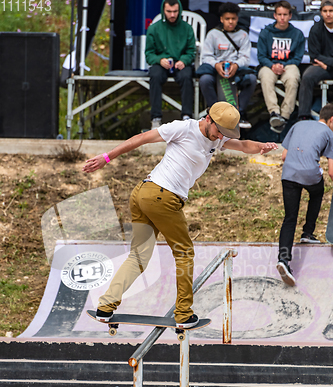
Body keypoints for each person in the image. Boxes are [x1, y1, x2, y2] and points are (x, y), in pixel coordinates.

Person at [83, 102, 278, 327]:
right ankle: (184, 313)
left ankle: (105, 307)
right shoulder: (183, 129)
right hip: (161, 197)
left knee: (139, 256)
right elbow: (142, 138)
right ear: (208, 119)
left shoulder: (218, 137)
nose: (219, 137)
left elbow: (243, 145)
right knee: (184, 252)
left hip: (145, 195)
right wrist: (106, 158)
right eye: (218, 131)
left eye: (224, 134)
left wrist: (261, 146)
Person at [276, 103, 333, 287]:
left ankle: (283, 260)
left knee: (289, 217)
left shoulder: (297, 125)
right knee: (317, 191)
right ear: (332, 120)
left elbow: (284, 156)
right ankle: (308, 232)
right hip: (309, 175)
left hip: (289, 174)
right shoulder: (330, 134)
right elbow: (332, 171)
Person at [199, 2, 256, 129]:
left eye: (233, 18)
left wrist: (236, 65)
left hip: (237, 72)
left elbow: (246, 58)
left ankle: (238, 113)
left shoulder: (243, 35)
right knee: (204, 80)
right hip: (216, 71)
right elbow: (206, 56)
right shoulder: (213, 34)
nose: (230, 22)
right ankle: (216, 114)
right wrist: (216, 64)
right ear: (221, 19)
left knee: (251, 80)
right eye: (227, 19)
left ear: (237, 19)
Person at [145, 0, 196, 129]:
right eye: (169, 11)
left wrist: (184, 60)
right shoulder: (154, 28)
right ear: (163, 10)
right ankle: (156, 118)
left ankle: (187, 117)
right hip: (161, 64)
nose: (172, 15)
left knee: (186, 76)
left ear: (179, 11)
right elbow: (149, 54)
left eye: (175, 11)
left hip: (181, 63)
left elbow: (191, 51)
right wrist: (159, 60)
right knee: (155, 75)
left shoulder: (187, 28)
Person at [257, 1, 305, 134]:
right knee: (265, 78)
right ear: (274, 15)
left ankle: (284, 116)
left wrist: (282, 65)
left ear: (290, 16)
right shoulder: (266, 33)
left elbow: (298, 58)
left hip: (288, 65)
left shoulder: (297, 34)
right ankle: (274, 113)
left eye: (285, 14)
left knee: (293, 78)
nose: (282, 17)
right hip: (269, 65)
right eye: (279, 14)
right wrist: (272, 65)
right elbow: (261, 56)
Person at [298, 0, 333, 120]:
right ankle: (303, 116)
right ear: (321, 13)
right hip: (321, 67)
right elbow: (315, 55)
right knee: (307, 76)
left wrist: (327, 65)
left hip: (325, 66)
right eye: (325, 11)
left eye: (331, 11)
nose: (328, 14)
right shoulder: (315, 29)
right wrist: (327, 66)